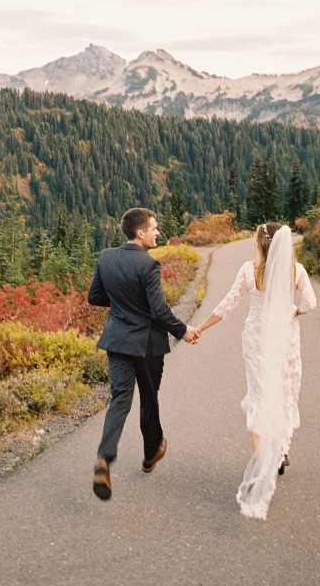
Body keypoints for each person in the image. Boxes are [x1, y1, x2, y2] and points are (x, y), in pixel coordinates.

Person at [194, 222, 317, 519]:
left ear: (260, 245)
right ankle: (280, 450)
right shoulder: (296, 272)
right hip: (285, 340)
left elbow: (227, 305)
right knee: (283, 391)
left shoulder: (249, 271)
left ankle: (263, 460)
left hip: (256, 341)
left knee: (259, 397)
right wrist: (292, 312)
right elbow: (310, 304)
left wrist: (199, 327)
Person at [87, 207, 199, 500]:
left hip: (116, 340)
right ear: (141, 233)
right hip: (147, 344)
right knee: (148, 397)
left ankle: (103, 458)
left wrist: (123, 305)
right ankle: (151, 453)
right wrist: (184, 331)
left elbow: (94, 297)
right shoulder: (149, 265)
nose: (158, 232)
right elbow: (159, 311)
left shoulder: (106, 257)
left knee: (120, 399)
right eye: (154, 228)